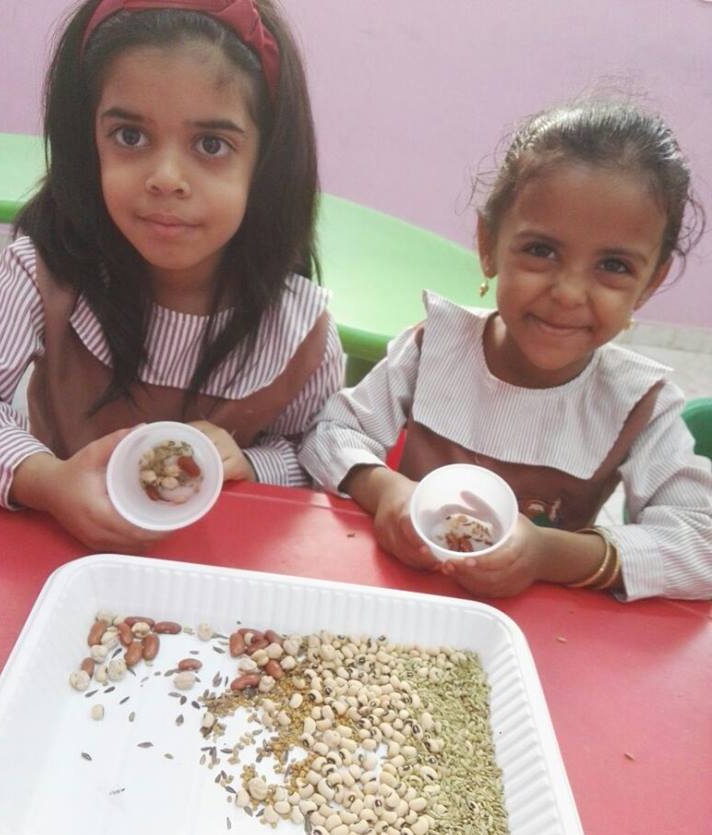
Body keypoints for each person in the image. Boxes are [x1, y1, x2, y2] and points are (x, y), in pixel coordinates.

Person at [300, 99, 712, 602]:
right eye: (541, 250)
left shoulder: (638, 404)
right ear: (488, 243)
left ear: (650, 282)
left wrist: (548, 554)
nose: (568, 293)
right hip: (398, 599)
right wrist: (385, 491)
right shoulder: (436, 347)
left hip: (534, 626)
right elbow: (329, 434)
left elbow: (702, 544)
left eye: (614, 266)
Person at [0, 0, 344, 550]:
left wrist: (250, 462)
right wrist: (47, 481)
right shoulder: (40, 275)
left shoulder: (299, 332)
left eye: (211, 145)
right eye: (130, 136)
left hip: (216, 577)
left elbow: (315, 452)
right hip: (52, 557)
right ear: (88, 143)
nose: (166, 178)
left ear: (266, 164)